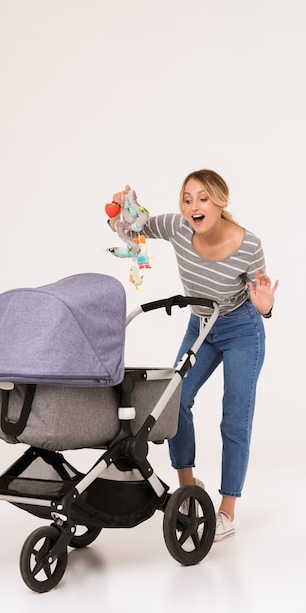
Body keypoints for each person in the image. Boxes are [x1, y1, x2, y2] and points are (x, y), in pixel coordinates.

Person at [110, 169, 279, 542]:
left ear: (220, 201)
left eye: (202, 198)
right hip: (201, 326)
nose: (194, 206)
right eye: (187, 199)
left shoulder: (249, 245)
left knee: (234, 418)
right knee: (174, 401)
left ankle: (227, 512)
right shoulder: (177, 227)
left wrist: (265, 307)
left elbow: (262, 300)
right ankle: (188, 490)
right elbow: (133, 230)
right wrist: (119, 212)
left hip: (241, 329)